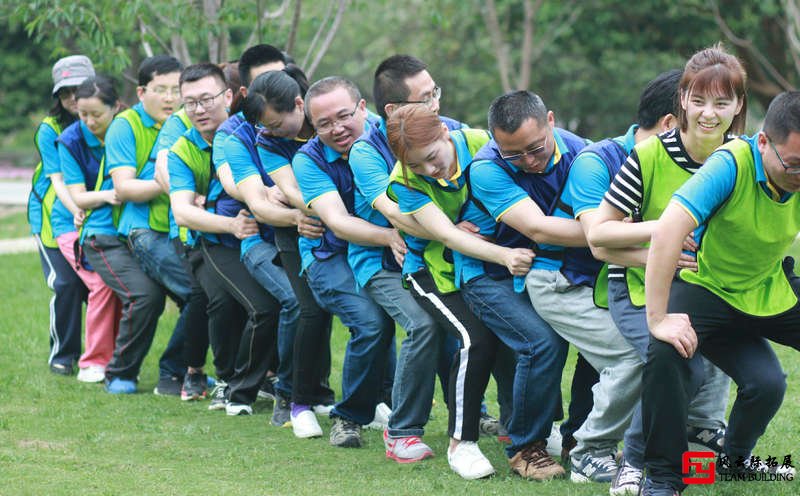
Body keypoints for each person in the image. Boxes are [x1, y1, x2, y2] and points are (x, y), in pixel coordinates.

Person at [583, 65, 737, 495]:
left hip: (705, 287)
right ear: (681, 105)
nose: (709, 113)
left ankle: (700, 444)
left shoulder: (739, 157)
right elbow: (599, 238)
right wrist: (665, 231)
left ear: (738, 106)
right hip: (634, 285)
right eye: (700, 101)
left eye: (721, 102)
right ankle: (631, 459)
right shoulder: (647, 155)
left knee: (713, 366)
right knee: (672, 358)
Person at [640, 91, 800, 495]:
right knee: (664, 352)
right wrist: (658, 319)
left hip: (763, 287)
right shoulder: (730, 164)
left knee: (767, 385)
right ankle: (663, 476)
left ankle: (735, 460)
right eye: (795, 166)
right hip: (704, 287)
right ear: (763, 142)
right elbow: (668, 230)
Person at [385, 104, 534, 479]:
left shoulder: (484, 144)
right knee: (475, 338)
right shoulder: (405, 181)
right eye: (418, 166)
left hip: (481, 269)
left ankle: (523, 431)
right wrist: (505, 255)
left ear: (445, 135)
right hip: (430, 271)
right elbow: (448, 235)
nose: (429, 171)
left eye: (433, 158)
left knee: (519, 336)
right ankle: (461, 443)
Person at [292, 76, 396, 449]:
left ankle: (469, 412)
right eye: (323, 124)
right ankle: (348, 416)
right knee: (370, 322)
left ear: (364, 108)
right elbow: (336, 222)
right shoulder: (309, 160)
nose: (336, 129)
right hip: (329, 255)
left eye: (344, 116)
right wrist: (390, 236)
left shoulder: (389, 135)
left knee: (432, 318)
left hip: (385, 251)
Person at [244, 68, 338, 439]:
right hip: (296, 232)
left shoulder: (331, 123)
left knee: (365, 312)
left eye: (274, 122)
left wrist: (329, 207)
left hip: (346, 225)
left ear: (299, 105)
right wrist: (324, 208)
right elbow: (293, 191)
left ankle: (374, 398)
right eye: (263, 125)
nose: (268, 131)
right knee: (309, 310)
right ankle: (296, 400)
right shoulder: (269, 141)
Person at [82, 55, 181, 394]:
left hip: (156, 229)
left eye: (176, 89)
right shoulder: (126, 125)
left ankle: (181, 370)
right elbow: (124, 188)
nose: (170, 98)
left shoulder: (183, 123)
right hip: (106, 234)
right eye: (161, 90)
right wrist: (174, 183)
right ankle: (120, 373)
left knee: (198, 293)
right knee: (145, 296)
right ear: (141, 92)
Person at [53, 75, 122, 383]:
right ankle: (93, 362)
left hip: (115, 224)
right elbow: (77, 194)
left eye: (97, 114)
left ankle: (115, 357)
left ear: (115, 108)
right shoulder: (69, 140)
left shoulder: (126, 130)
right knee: (102, 284)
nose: (89, 122)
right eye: (83, 115)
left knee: (123, 287)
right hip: (72, 225)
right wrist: (109, 195)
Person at [28, 55, 94, 376]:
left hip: (89, 213)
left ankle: (101, 356)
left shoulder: (104, 121)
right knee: (66, 285)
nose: (71, 98)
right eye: (64, 92)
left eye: (78, 89)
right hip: (52, 219)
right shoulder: (49, 129)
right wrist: (77, 210)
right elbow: (59, 180)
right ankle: (63, 355)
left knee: (96, 286)